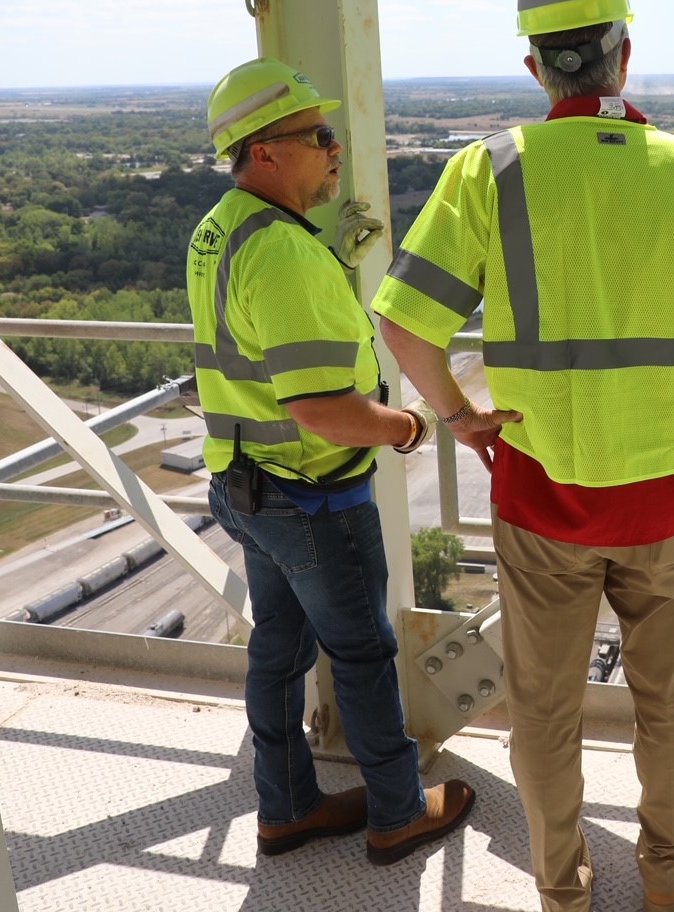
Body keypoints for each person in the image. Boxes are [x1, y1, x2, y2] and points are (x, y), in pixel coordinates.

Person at [372, 0, 674, 912]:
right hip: (664, 498)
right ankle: (666, 876)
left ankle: (563, 891)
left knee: (547, 714)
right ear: (625, 53)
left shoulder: (490, 173)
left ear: (535, 68)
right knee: (667, 703)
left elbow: (403, 323)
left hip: (542, 500)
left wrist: (460, 418)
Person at [188, 57, 475, 864]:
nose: (336, 149)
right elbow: (322, 409)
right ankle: (396, 812)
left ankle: (285, 809)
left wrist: (333, 266)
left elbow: (264, 348)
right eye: (318, 136)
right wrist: (412, 429)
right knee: (362, 654)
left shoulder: (220, 229)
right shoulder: (284, 255)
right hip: (314, 497)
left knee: (278, 650)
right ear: (266, 151)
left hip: (246, 486)